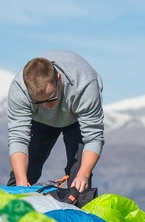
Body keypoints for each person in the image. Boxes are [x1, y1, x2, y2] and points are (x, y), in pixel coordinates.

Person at [7, 50, 104, 191]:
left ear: (58, 79)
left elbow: (93, 138)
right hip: (39, 121)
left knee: (79, 182)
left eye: (51, 98)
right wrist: (21, 182)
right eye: (39, 101)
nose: (47, 106)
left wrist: (83, 175)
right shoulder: (19, 90)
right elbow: (18, 138)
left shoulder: (85, 85)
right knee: (21, 178)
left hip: (76, 118)